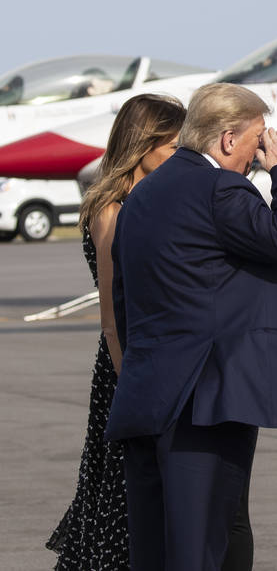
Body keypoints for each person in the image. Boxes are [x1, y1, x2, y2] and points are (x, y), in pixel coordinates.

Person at [104, 82, 277, 570]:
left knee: (156, 550)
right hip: (209, 398)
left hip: (149, 392)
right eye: (256, 140)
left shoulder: (142, 196)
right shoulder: (220, 188)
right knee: (202, 547)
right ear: (225, 139)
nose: (258, 152)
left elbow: (124, 301)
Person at [47, 93, 185, 570]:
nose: (177, 160)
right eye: (171, 149)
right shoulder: (113, 209)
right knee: (120, 486)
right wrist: (130, 376)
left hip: (147, 359)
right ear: (142, 145)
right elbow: (111, 309)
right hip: (126, 362)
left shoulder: (150, 200)